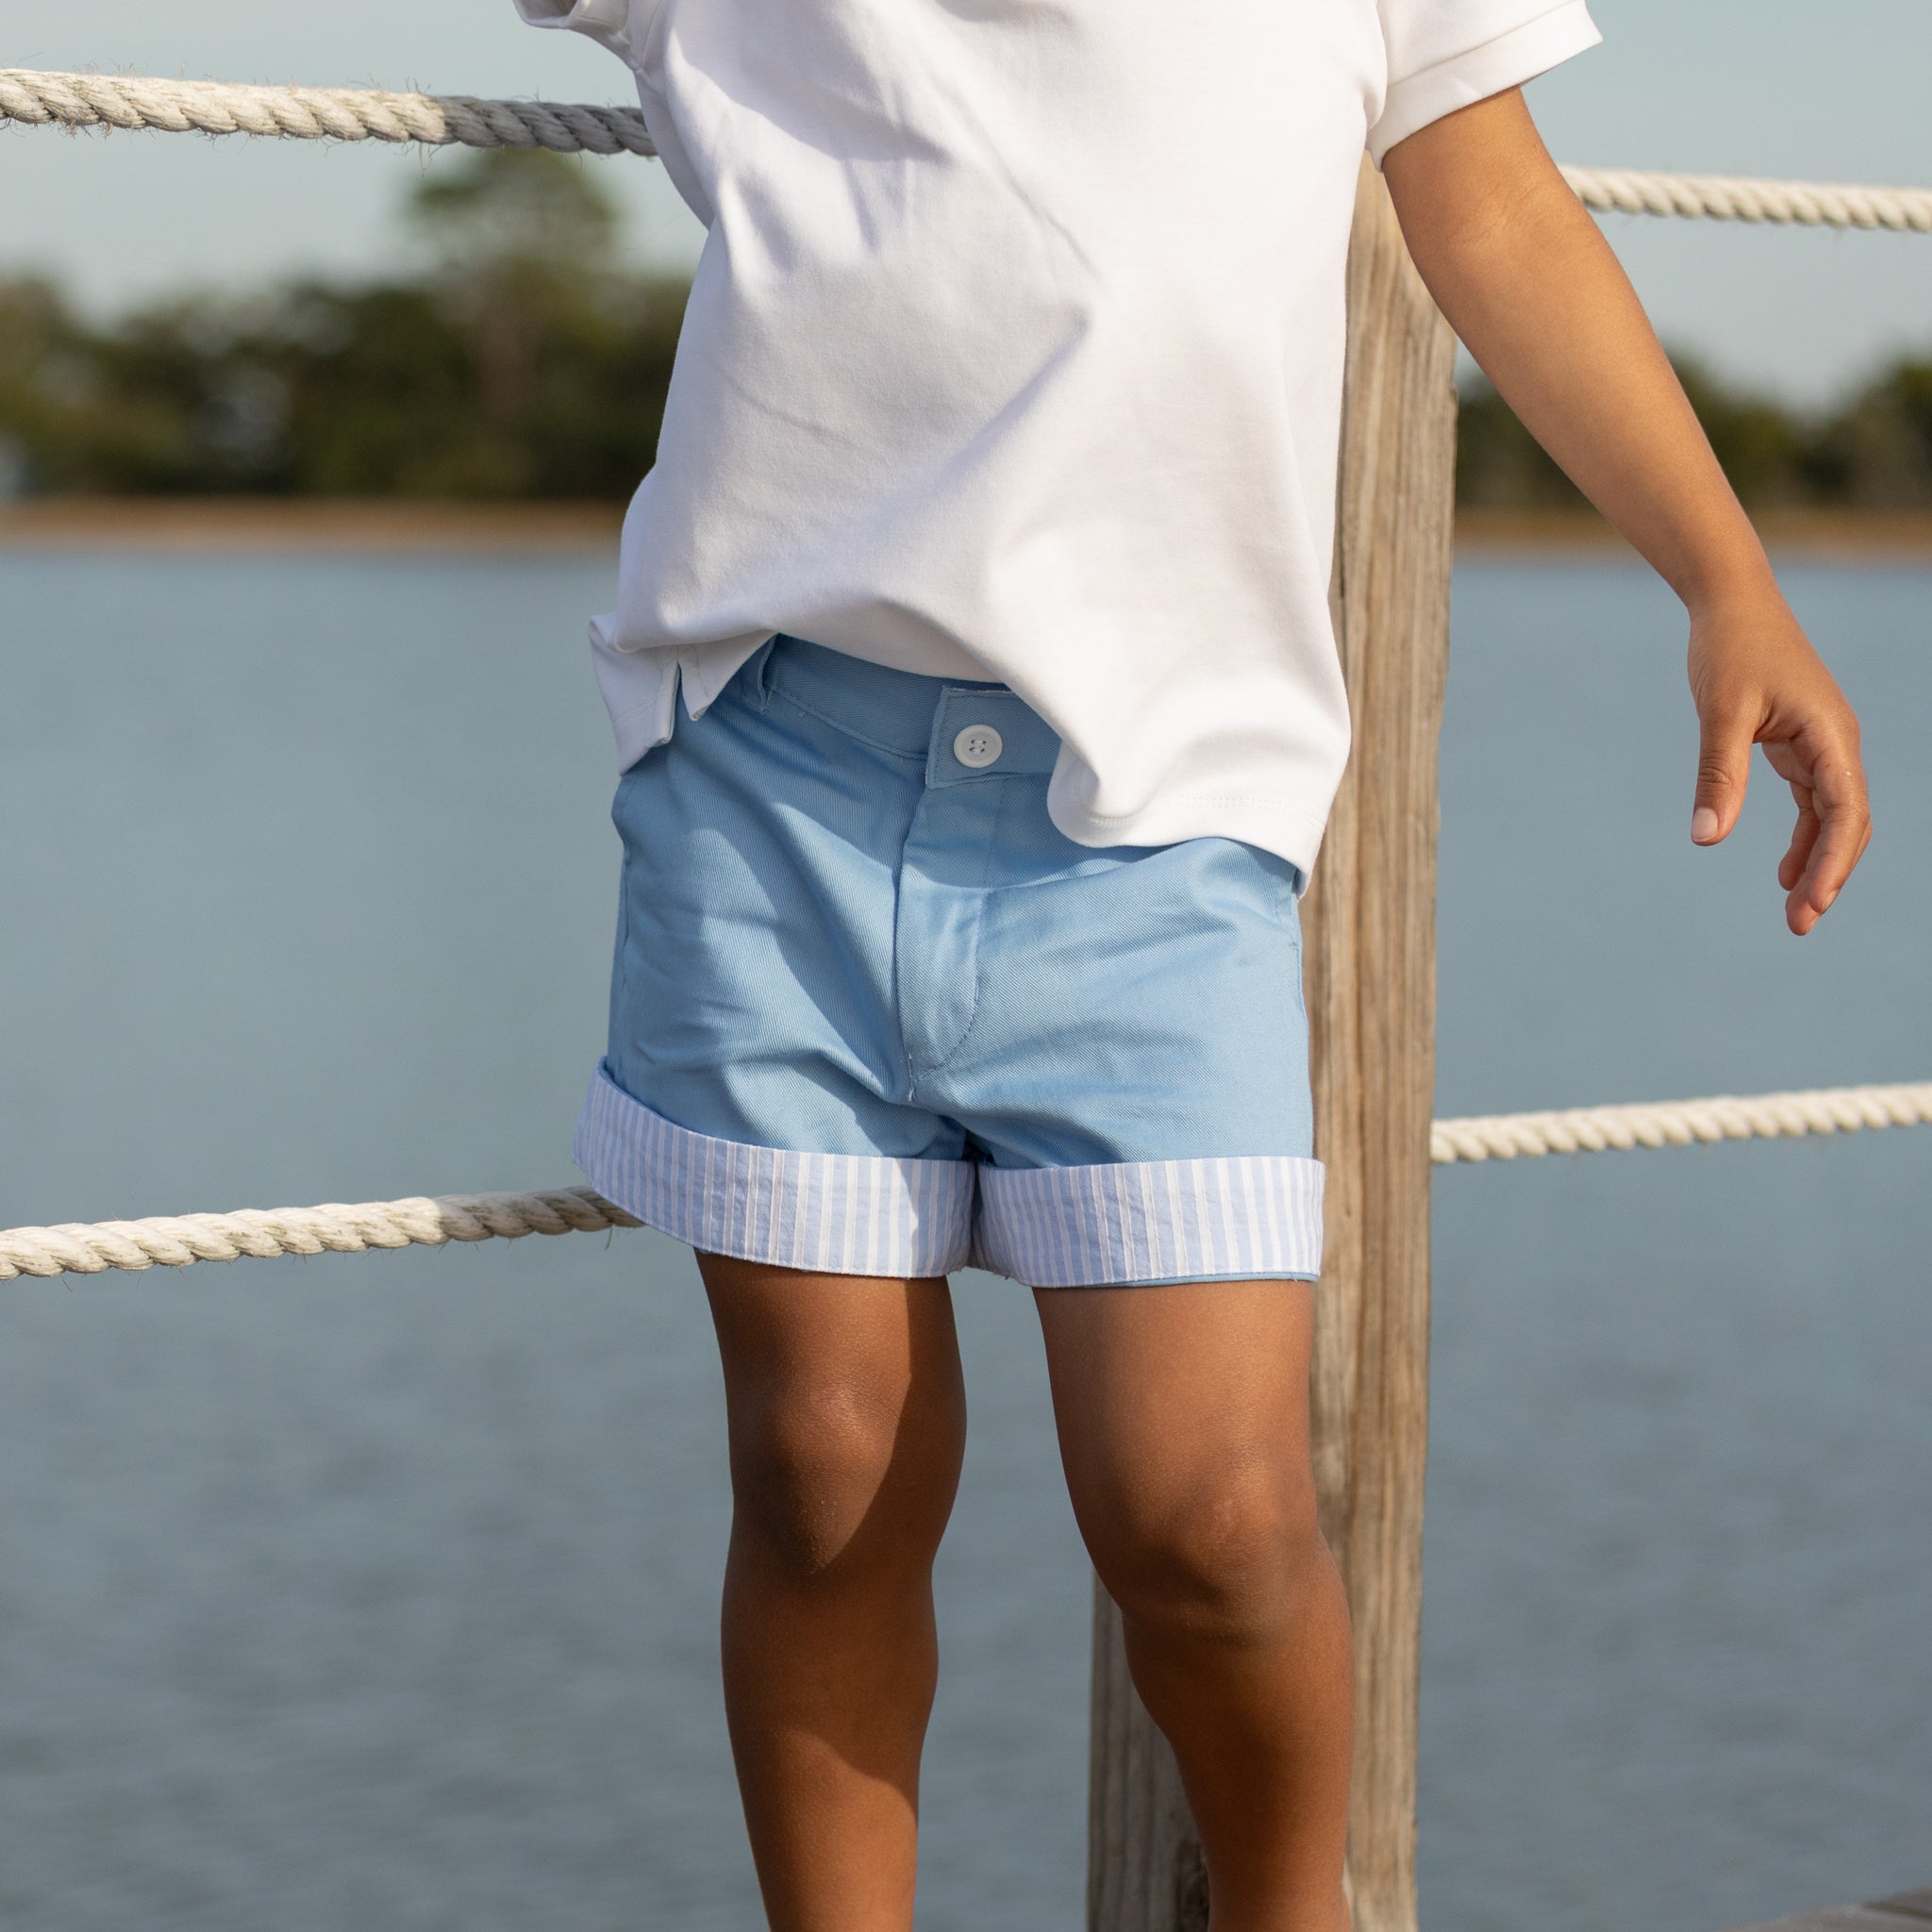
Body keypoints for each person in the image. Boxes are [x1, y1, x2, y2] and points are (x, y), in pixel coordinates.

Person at [516, 2, 1872, 1925]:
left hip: (1155, 825)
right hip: (771, 779)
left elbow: (1490, 213)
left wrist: (1726, 576)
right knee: (821, 1463)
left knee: (1212, 1509)